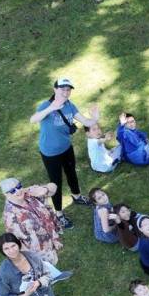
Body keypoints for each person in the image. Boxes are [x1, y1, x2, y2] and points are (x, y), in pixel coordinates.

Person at [29, 77, 99, 223]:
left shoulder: (70, 105)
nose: (66, 93)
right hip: (50, 153)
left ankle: (77, 196)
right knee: (56, 183)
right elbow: (33, 120)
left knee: (72, 173)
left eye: (68, 90)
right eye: (63, 89)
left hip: (66, 148)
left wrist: (95, 117)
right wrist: (51, 108)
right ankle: (59, 214)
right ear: (55, 89)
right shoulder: (46, 105)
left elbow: (86, 122)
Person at [0, 178, 64, 267]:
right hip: (40, 252)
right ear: (5, 194)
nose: (18, 191)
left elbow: (54, 187)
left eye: (18, 186)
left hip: (52, 238)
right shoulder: (10, 217)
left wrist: (45, 189)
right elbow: (17, 243)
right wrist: (32, 260)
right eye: (12, 191)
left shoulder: (29, 193)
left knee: (55, 260)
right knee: (49, 271)